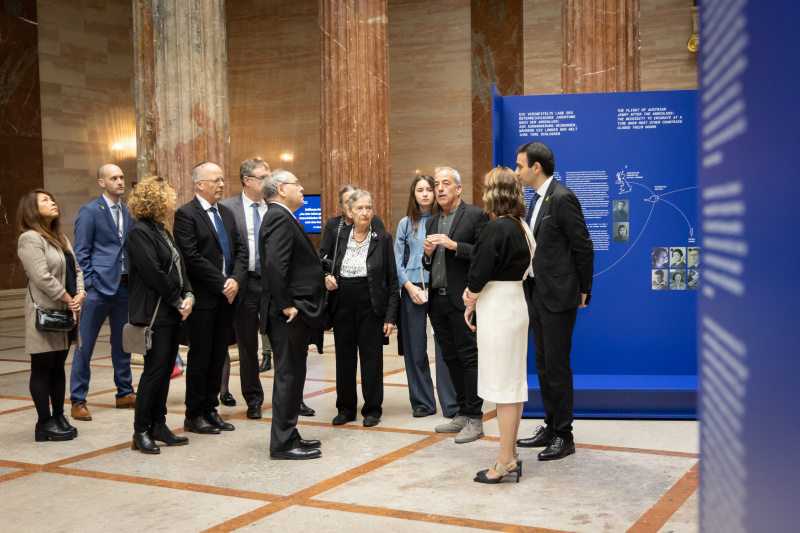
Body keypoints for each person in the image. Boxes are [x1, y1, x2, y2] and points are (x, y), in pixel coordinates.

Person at [515, 141, 594, 461]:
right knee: (544, 366)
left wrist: (584, 288)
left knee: (557, 367)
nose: (517, 171)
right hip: (536, 292)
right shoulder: (536, 200)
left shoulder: (562, 197)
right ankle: (550, 426)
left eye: (520, 166)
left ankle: (564, 435)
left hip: (559, 295)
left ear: (536, 167)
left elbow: (583, 246)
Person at [463, 167, 533, 484]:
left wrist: (469, 300)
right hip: (516, 303)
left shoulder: (495, 228)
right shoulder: (522, 227)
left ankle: (504, 461)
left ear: (493, 193)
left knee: (503, 389)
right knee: (513, 386)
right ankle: (511, 454)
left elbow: (478, 273)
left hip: (498, 308)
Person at [173, 162, 248, 435]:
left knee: (218, 356)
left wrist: (236, 280)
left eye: (222, 180)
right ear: (199, 184)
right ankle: (194, 414)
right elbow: (191, 256)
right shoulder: (186, 214)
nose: (221, 184)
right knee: (201, 358)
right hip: (204, 299)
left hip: (228, 298)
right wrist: (222, 283)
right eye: (215, 180)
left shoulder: (226, 212)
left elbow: (241, 250)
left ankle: (210, 409)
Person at [126, 176, 195, 454]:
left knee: (166, 370)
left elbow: (179, 266)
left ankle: (159, 425)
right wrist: (178, 300)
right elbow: (153, 273)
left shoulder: (162, 230)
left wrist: (188, 294)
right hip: (154, 313)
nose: (174, 201)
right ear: (157, 200)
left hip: (170, 311)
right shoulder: (139, 232)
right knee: (154, 371)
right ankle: (141, 430)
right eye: (170, 196)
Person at [259, 170, 325, 460]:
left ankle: (289, 433)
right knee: (287, 377)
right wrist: (287, 304)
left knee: (294, 375)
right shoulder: (278, 217)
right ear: (281, 188)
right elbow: (275, 265)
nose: (302, 188)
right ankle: (283, 443)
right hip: (286, 314)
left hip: (294, 310)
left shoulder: (283, 216)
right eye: (297, 184)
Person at [422, 166, 489, 444]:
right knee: (449, 357)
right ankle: (462, 412)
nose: (439, 188)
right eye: (436, 184)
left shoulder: (475, 215)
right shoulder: (431, 221)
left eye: (445, 183)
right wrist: (427, 255)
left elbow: (484, 255)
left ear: (458, 188)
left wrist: (453, 245)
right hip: (437, 300)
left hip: (463, 299)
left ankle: (475, 417)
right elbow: (429, 263)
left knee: (468, 357)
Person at [324, 190, 399, 428]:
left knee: (371, 358)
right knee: (344, 358)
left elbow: (392, 279)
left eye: (368, 208)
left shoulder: (382, 238)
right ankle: (345, 408)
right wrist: (326, 276)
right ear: (350, 211)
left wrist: (390, 316)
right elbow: (325, 263)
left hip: (371, 302)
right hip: (342, 301)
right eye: (359, 208)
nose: (365, 212)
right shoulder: (339, 235)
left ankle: (372, 409)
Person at [17, 190, 84, 442]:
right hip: (44, 313)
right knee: (42, 367)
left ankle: (58, 416)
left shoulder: (60, 237)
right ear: (32, 209)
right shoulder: (29, 238)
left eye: (52, 199)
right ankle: (43, 423)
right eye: (44, 200)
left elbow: (77, 269)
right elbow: (42, 277)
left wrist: (80, 293)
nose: (52, 202)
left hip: (66, 312)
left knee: (58, 366)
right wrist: (68, 298)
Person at [70, 164, 136, 422]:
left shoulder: (128, 212)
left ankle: (124, 392)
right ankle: (78, 400)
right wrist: (90, 283)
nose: (120, 181)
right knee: (84, 345)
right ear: (101, 182)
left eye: (122, 177)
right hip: (97, 290)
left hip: (124, 287)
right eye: (114, 178)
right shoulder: (90, 211)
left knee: (122, 343)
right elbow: (81, 251)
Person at [394, 174, 458, 418]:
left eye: (429, 189)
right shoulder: (405, 223)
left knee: (445, 347)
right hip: (412, 289)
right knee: (415, 347)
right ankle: (422, 402)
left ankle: (451, 403)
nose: (425, 194)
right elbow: (396, 261)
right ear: (414, 194)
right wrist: (409, 287)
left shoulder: (444, 219)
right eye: (420, 190)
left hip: (440, 287)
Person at [217, 158, 270, 419]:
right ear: (247, 180)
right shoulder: (227, 208)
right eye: (263, 177)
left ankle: (293, 398)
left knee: (284, 342)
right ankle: (253, 400)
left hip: (272, 284)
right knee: (247, 345)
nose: (269, 182)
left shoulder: (275, 206)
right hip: (244, 283)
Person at [319, 185, 385, 260]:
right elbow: (323, 256)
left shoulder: (375, 221)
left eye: (354, 201)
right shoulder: (333, 225)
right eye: (347, 202)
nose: (351, 205)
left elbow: (384, 253)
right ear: (341, 207)